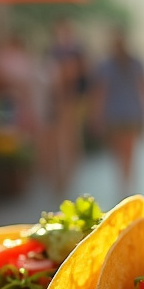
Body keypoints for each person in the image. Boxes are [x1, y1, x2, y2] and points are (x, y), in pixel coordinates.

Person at [94, 28, 144, 197]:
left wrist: (97, 115)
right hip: (131, 113)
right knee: (130, 152)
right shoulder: (134, 63)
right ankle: (127, 184)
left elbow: (101, 93)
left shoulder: (107, 65)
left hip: (115, 115)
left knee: (119, 153)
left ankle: (124, 185)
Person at [45, 20, 90, 193]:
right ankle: (61, 176)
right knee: (59, 140)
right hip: (59, 101)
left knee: (70, 139)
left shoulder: (74, 51)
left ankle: (68, 176)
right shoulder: (55, 51)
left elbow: (80, 75)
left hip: (72, 100)